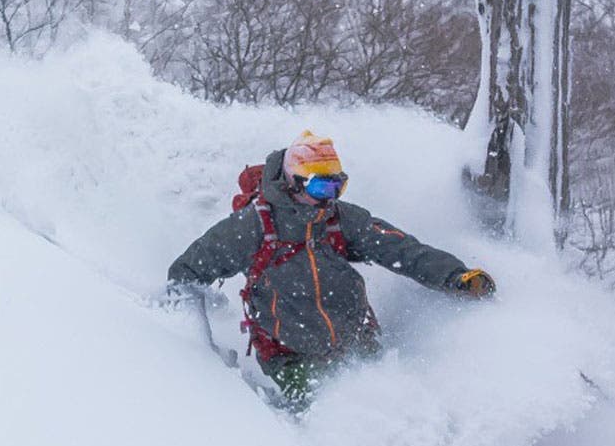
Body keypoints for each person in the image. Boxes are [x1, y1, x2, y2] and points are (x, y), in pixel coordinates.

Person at [166, 131, 495, 411]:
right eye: (321, 189)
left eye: (338, 187)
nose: (330, 199)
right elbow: (186, 271)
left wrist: (455, 277)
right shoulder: (252, 226)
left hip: (358, 343)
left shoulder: (340, 220)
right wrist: (193, 335)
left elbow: (402, 250)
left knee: (394, 407)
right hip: (290, 356)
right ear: (294, 183)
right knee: (338, 412)